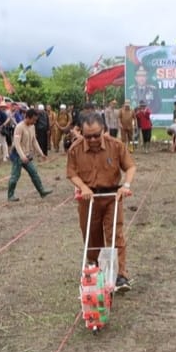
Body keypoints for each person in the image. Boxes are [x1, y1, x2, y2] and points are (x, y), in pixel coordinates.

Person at [66, 112, 136, 292]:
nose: (93, 139)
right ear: (81, 132)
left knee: (115, 234)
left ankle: (120, 275)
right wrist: (83, 187)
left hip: (112, 197)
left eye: (97, 135)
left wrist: (125, 186)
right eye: (88, 136)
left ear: (103, 130)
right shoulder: (75, 149)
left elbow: (130, 167)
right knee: (90, 234)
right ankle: (95, 268)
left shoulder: (116, 146)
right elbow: (72, 173)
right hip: (88, 199)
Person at [7, 109, 53, 201]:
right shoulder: (19, 127)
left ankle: (42, 191)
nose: (35, 122)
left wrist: (41, 154)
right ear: (27, 117)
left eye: (36, 120)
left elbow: (34, 141)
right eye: (33, 120)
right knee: (15, 176)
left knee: (34, 173)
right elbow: (17, 144)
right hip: (17, 155)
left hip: (27, 155)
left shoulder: (32, 127)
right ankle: (10, 195)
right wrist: (22, 156)